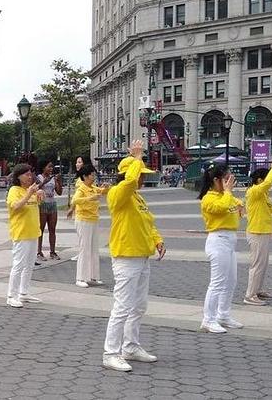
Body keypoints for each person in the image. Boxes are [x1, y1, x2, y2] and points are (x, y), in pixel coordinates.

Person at [102, 140, 165, 372]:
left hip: (141, 255)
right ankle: (110, 353)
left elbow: (148, 222)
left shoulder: (138, 198)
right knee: (122, 307)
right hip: (126, 257)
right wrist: (137, 159)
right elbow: (128, 182)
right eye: (140, 174)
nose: (143, 179)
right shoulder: (118, 193)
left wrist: (157, 239)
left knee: (139, 306)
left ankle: (130, 346)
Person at [198, 162, 245, 334]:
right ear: (216, 180)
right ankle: (208, 319)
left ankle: (223, 315)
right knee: (217, 283)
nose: (229, 182)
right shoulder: (208, 198)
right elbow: (222, 207)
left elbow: (237, 203)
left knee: (230, 281)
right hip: (218, 240)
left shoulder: (225, 195)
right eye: (226, 179)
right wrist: (228, 193)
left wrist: (238, 202)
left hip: (230, 240)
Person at [243, 154, 272, 306]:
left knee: (263, 264)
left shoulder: (261, 194)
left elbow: (266, 206)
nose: (269, 182)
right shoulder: (254, 191)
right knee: (257, 264)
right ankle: (250, 295)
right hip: (257, 232)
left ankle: (257, 290)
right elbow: (268, 184)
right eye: (265, 178)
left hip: (263, 231)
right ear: (259, 180)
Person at [5, 164, 44, 308]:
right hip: (21, 233)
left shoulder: (30, 190)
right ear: (18, 176)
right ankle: (11, 295)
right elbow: (15, 206)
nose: (30, 177)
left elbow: (35, 203)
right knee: (19, 264)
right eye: (26, 174)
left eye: (30, 174)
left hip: (33, 231)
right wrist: (29, 193)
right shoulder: (14, 190)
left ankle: (24, 292)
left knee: (29, 264)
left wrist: (39, 194)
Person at [71, 164, 109, 288]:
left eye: (94, 174)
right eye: (91, 175)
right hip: (83, 220)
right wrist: (90, 198)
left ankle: (93, 276)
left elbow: (102, 192)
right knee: (85, 248)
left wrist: (105, 188)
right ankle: (80, 277)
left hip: (93, 219)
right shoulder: (81, 189)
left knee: (93, 248)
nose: (93, 177)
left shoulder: (93, 187)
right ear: (85, 176)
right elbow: (75, 201)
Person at [36, 158, 63, 260]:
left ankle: (53, 252)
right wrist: (44, 182)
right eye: (49, 166)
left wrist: (59, 182)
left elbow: (59, 192)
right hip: (42, 205)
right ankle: (39, 252)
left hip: (52, 204)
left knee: (52, 229)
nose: (51, 168)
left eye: (52, 166)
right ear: (43, 167)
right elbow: (35, 189)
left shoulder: (53, 178)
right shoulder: (38, 177)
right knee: (40, 229)